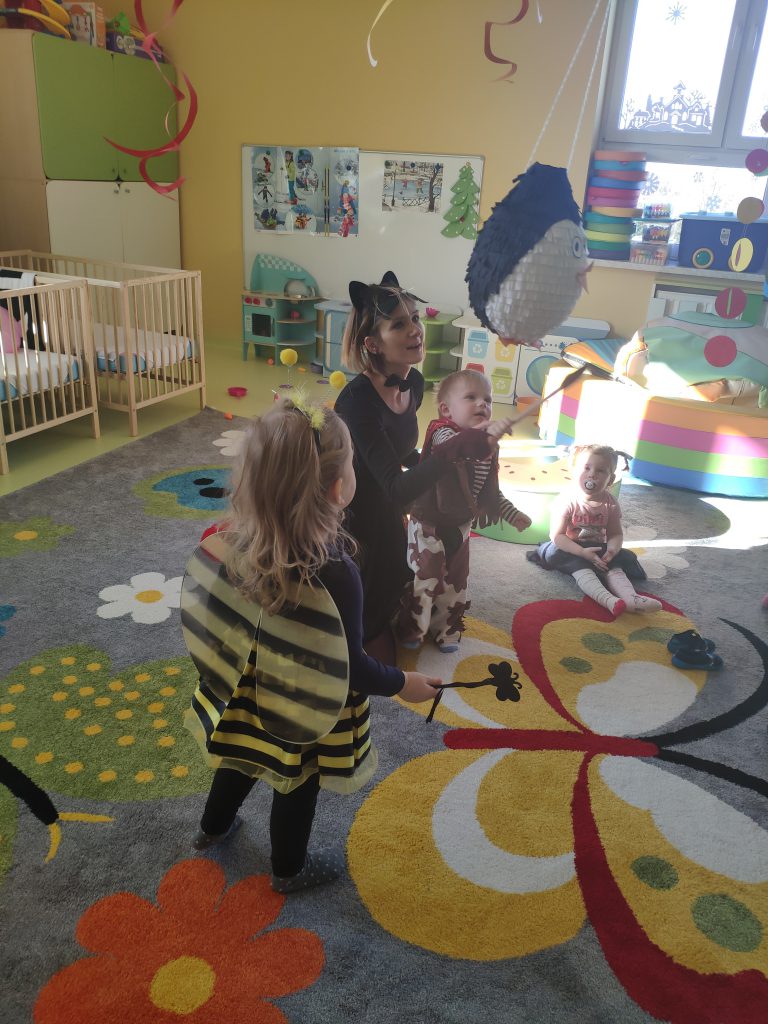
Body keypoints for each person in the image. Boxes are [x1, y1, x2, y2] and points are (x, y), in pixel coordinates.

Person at [185, 397, 442, 894]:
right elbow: (352, 667)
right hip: (304, 705)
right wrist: (403, 682)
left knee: (241, 755)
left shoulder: (232, 540)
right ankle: (289, 869)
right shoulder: (337, 571)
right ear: (338, 489)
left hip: (245, 687)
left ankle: (211, 828)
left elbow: (215, 617)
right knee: (296, 780)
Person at [334, 271, 507, 662]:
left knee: (407, 573)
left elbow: (403, 455)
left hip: (390, 504)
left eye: (414, 318)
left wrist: (460, 470)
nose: (416, 330)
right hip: (353, 510)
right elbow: (396, 486)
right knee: (367, 610)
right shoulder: (357, 402)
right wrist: (454, 450)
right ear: (373, 344)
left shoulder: (411, 381)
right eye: (399, 324)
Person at [398, 369, 532, 653]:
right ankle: (414, 626)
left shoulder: (486, 447)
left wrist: (511, 514)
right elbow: (454, 448)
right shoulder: (442, 433)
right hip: (428, 522)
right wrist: (484, 438)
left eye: (488, 399)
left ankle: (446, 628)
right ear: (447, 409)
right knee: (427, 576)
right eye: (471, 397)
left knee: (456, 581)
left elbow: (487, 492)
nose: (482, 403)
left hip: (460, 524)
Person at [528, 443, 661, 616]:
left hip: (597, 548)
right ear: (575, 472)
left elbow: (615, 534)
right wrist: (582, 553)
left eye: (600, 471)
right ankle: (608, 600)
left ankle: (631, 599)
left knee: (615, 563)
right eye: (586, 468)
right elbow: (557, 536)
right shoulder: (567, 500)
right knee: (561, 556)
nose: (592, 474)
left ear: (610, 480)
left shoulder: (610, 503)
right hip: (570, 548)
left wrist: (612, 550)